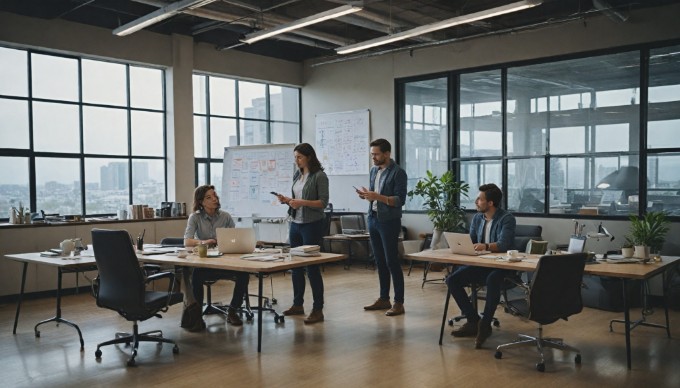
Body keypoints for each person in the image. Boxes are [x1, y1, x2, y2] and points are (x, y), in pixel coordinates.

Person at [446, 183, 516, 348]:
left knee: (493, 280)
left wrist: (485, 246)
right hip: (481, 264)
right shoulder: (477, 218)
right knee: (452, 280)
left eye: (479, 199)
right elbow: (471, 240)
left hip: (501, 266)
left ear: (490, 203)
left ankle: (485, 325)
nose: (476, 201)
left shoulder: (507, 218)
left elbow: (504, 244)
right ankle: (473, 320)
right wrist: (462, 245)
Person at [181, 185, 250, 331]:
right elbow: (187, 241)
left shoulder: (226, 217)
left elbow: (235, 240)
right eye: (209, 197)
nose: (214, 199)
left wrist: (227, 242)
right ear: (201, 202)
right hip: (207, 264)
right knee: (197, 275)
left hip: (225, 262)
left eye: (215, 195)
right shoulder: (195, 217)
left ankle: (233, 310)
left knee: (244, 274)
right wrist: (204, 242)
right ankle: (197, 315)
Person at [275, 143, 329, 324]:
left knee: (312, 268)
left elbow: (322, 203)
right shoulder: (298, 175)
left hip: (311, 225)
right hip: (295, 223)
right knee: (296, 267)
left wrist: (301, 202)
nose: (296, 160)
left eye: (299, 157)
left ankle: (318, 309)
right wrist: (288, 201)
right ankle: (298, 304)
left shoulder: (320, 176)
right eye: (295, 157)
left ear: (309, 157)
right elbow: (298, 201)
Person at [356, 138, 408, 316]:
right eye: (372, 154)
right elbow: (374, 196)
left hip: (389, 221)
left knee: (391, 261)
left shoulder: (398, 172)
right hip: (373, 218)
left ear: (387, 154)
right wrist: (367, 196)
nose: (374, 158)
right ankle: (384, 298)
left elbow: (400, 200)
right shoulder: (373, 171)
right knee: (378, 260)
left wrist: (378, 197)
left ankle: (398, 302)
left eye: (376, 154)